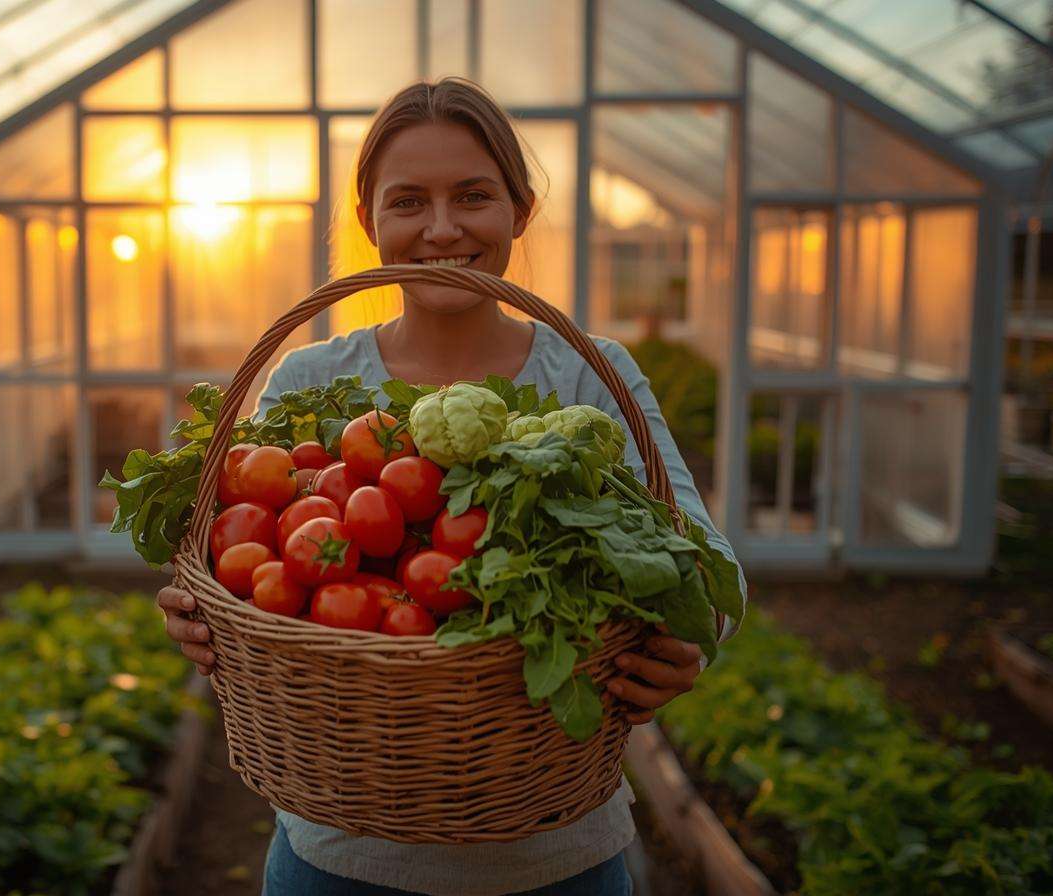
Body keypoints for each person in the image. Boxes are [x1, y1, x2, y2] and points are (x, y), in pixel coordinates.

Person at [156, 77, 745, 896]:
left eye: (472, 195)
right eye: (408, 201)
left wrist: (688, 642)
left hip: (557, 855)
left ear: (520, 209)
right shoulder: (310, 379)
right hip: (339, 854)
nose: (441, 228)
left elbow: (712, 567)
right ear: (371, 222)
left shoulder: (588, 374)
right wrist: (201, 614)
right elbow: (238, 566)